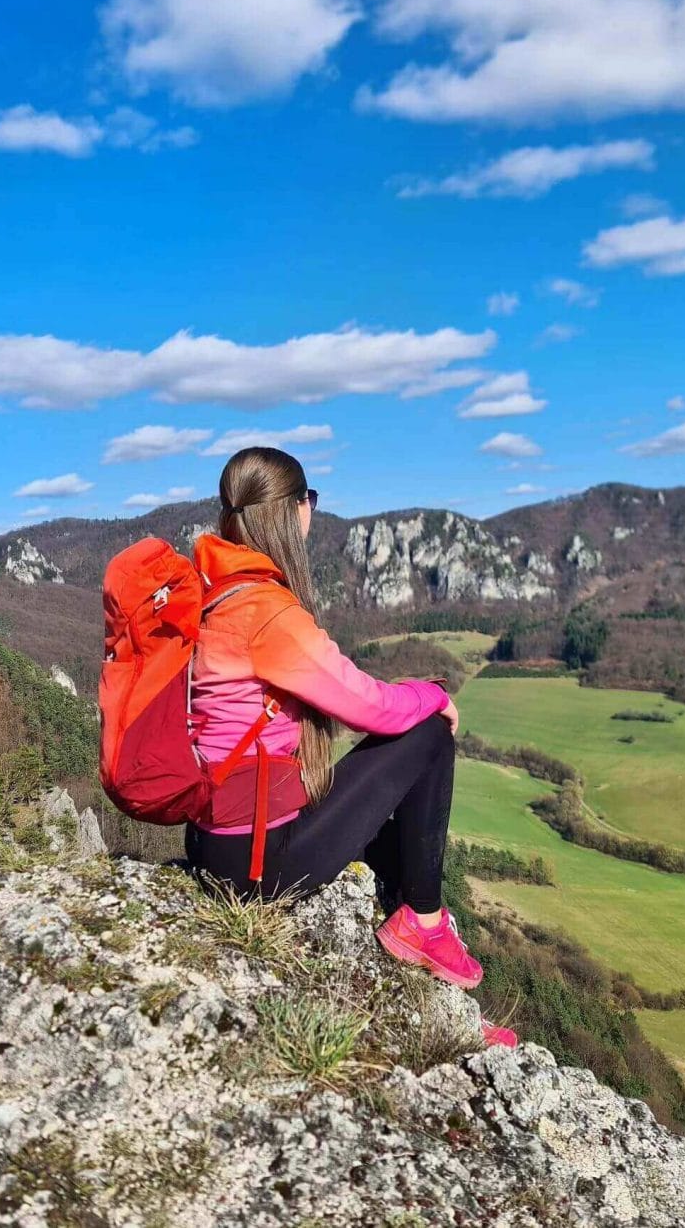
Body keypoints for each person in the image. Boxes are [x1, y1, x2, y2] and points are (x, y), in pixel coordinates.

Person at [185, 446, 517, 1047]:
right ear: (290, 511)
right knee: (429, 732)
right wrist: (434, 693)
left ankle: (452, 1019)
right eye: (310, 500)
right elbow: (370, 707)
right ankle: (424, 925)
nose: (313, 512)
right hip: (258, 860)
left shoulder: (211, 593)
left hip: (221, 833)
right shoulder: (265, 612)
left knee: (395, 840)